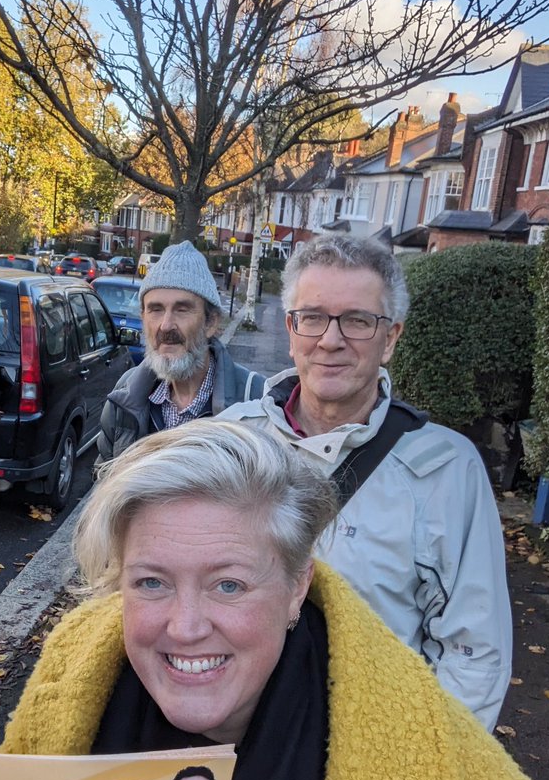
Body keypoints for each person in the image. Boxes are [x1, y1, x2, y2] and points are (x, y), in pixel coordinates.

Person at [0, 421, 549, 780]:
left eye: (229, 585)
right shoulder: (72, 673)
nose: (186, 627)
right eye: (152, 582)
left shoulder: (454, 779)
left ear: (298, 588)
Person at [219, 234, 512, 730]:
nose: (330, 340)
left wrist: (425, 769)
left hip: (372, 750)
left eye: (357, 320)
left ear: (390, 338)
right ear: (291, 330)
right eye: (312, 317)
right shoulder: (231, 441)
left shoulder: (445, 469)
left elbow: (475, 653)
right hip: (235, 743)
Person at [96, 241, 262, 463]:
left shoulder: (255, 400)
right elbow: (104, 486)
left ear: (211, 323)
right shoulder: (125, 396)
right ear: (143, 318)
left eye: (182, 309)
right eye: (155, 309)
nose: (166, 325)